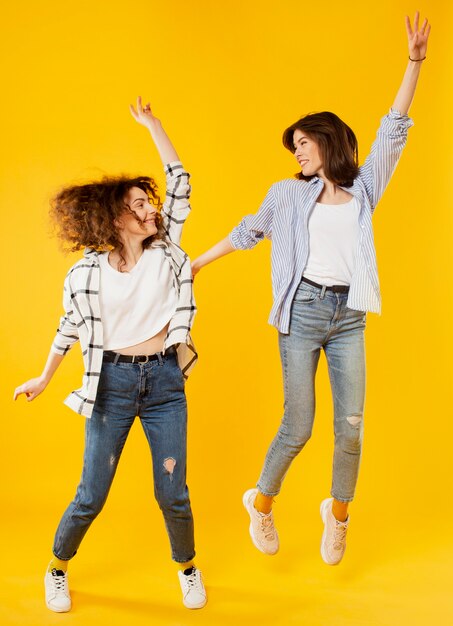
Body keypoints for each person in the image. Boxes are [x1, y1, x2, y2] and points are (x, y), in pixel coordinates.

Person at [191, 13, 430, 565]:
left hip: (349, 316)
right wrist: (200, 262)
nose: (296, 152)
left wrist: (414, 62)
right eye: (293, 146)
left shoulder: (365, 187)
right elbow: (248, 231)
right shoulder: (286, 193)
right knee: (298, 423)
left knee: (351, 428)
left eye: (302, 143)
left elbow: (393, 127)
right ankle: (263, 502)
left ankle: (337, 516)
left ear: (326, 142)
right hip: (301, 313)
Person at [14, 98, 207, 611]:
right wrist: (44, 377)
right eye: (140, 204)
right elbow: (68, 329)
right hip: (111, 386)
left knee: (173, 493)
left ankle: (187, 567)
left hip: (165, 381)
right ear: (115, 217)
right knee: (91, 493)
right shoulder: (86, 275)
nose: (152, 209)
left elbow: (182, 181)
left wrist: (154, 125)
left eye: (152, 202)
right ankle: (57, 567)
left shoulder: (168, 251)